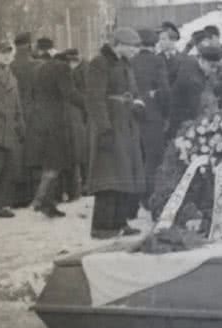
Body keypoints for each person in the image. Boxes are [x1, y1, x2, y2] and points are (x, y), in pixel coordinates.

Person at [85, 27, 146, 238]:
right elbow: (94, 99)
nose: (135, 51)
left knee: (124, 175)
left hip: (126, 125)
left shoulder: (125, 64)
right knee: (109, 177)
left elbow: (133, 91)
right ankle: (102, 227)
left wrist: (137, 104)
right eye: (132, 46)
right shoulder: (99, 63)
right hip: (111, 126)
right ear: (118, 44)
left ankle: (120, 222)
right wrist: (104, 130)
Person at [27, 50, 85, 217]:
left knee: (51, 163)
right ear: (70, 61)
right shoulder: (63, 69)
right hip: (56, 122)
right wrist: (88, 103)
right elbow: (69, 93)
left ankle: (47, 203)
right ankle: (40, 201)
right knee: (55, 164)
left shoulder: (42, 68)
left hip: (41, 121)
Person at [131, 29, 170, 207]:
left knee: (137, 156)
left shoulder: (131, 62)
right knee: (153, 158)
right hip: (153, 115)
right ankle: (148, 198)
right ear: (154, 45)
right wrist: (166, 113)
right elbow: (165, 91)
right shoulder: (158, 61)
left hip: (133, 114)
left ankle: (133, 197)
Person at [0, 41, 25, 219]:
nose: (6, 56)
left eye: (9, 53)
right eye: (2, 53)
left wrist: (20, 124)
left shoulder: (13, 77)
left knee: (8, 167)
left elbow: (17, 105)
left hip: (9, 129)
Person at [9, 32, 38, 207]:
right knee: (32, 151)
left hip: (14, 112)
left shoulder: (10, 66)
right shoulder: (35, 65)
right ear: (29, 45)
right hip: (33, 111)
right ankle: (31, 193)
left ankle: (17, 195)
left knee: (16, 153)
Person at [168, 46, 221, 137]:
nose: (214, 70)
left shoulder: (190, 61)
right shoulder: (195, 81)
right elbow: (195, 111)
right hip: (182, 123)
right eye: (212, 66)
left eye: (216, 67)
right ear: (203, 61)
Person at [63, 49, 89, 200]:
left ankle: (76, 187)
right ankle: (81, 186)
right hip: (77, 115)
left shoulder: (79, 71)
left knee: (77, 152)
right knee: (79, 151)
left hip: (76, 115)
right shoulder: (83, 69)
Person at [158, 21, 184, 86]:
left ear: (173, 40)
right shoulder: (156, 58)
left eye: (163, 39)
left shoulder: (183, 59)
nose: (160, 42)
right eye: (159, 39)